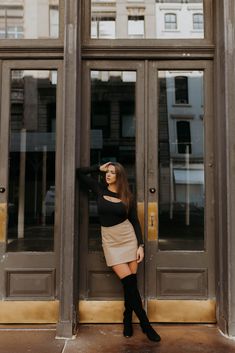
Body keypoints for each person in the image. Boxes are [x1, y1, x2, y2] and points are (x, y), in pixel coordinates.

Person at [77, 162, 161, 342]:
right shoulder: (99, 189)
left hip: (128, 239)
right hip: (111, 242)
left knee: (129, 285)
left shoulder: (127, 197)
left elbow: (136, 222)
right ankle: (146, 325)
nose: (108, 175)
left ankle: (127, 321)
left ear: (119, 176)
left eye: (112, 173)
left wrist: (140, 245)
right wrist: (97, 168)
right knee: (129, 282)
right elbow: (79, 173)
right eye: (107, 172)